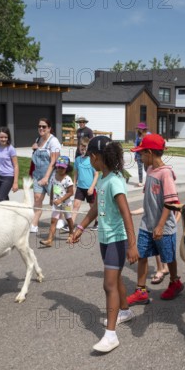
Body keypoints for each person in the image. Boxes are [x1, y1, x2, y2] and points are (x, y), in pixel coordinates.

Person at [68, 135, 138, 353]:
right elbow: (96, 208)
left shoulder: (115, 181)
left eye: (89, 156)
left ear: (96, 157)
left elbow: (126, 214)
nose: (88, 159)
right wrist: (80, 227)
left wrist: (132, 245)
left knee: (108, 284)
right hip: (105, 239)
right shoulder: (105, 178)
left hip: (117, 239)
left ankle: (110, 336)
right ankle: (125, 311)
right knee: (115, 279)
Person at [127, 133, 183, 305]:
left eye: (141, 153)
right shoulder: (150, 170)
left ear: (150, 153)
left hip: (163, 227)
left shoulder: (166, 174)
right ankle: (141, 290)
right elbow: (150, 198)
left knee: (168, 257)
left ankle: (175, 282)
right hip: (147, 224)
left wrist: (159, 226)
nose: (140, 157)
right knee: (142, 255)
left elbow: (170, 202)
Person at [30, 118, 61, 233]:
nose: (41, 128)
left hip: (52, 176)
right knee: (37, 199)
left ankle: (63, 219)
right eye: (39, 126)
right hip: (38, 175)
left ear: (49, 128)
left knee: (56, 200)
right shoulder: (38, 140)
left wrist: (46, 177)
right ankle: (34, 224)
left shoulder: (54, 142)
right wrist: (35, 149)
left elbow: (53, 162)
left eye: (44, 126)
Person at [68, 137, 99, 232]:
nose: (83, 151)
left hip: (90, 188)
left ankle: (97, 222)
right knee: (76, 205)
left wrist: (92, 187)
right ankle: (71, 224)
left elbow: (96, 174)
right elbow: (76, 173)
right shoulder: (77, 160)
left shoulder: (92, 160)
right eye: (81, 149)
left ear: (88, 149)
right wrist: (74, 185)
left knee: (92, 207)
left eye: (85, 149)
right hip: (80, 188)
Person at [0, 126, 19, 202]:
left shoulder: (11, 149)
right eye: (1, 137)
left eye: (5, 137)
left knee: (0, 199)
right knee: (4, 199)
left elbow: (16, 166)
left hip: (8, 177)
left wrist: (15, 182)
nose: (3, 139)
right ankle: (10, 213)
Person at [134, 122, 151, 187]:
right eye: (139, 129)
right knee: (140, 169)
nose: (139, 130)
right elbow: (136, 144)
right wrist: (135, 155)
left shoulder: (148, 134)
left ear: (144, 129)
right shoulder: (137, 135)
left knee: (146, 169)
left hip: (146, 154)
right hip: (138, 154)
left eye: (140, 128)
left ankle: (148, 181)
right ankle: (140, 181)